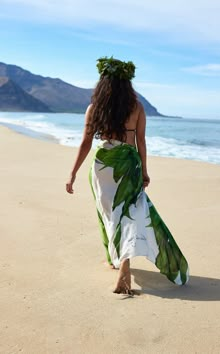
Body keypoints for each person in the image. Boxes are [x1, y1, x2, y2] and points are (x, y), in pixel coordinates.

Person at [66, 57, 189, 295]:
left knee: (109, 215)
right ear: (127, 83)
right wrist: (144, 171)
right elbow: (141, 141)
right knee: (129, 214)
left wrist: (72, 173)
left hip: (103, 166)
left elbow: (86, 142)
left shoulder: (94, 109)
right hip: (128, 164)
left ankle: (117, 261)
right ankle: (122, 261)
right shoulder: (137, 107)